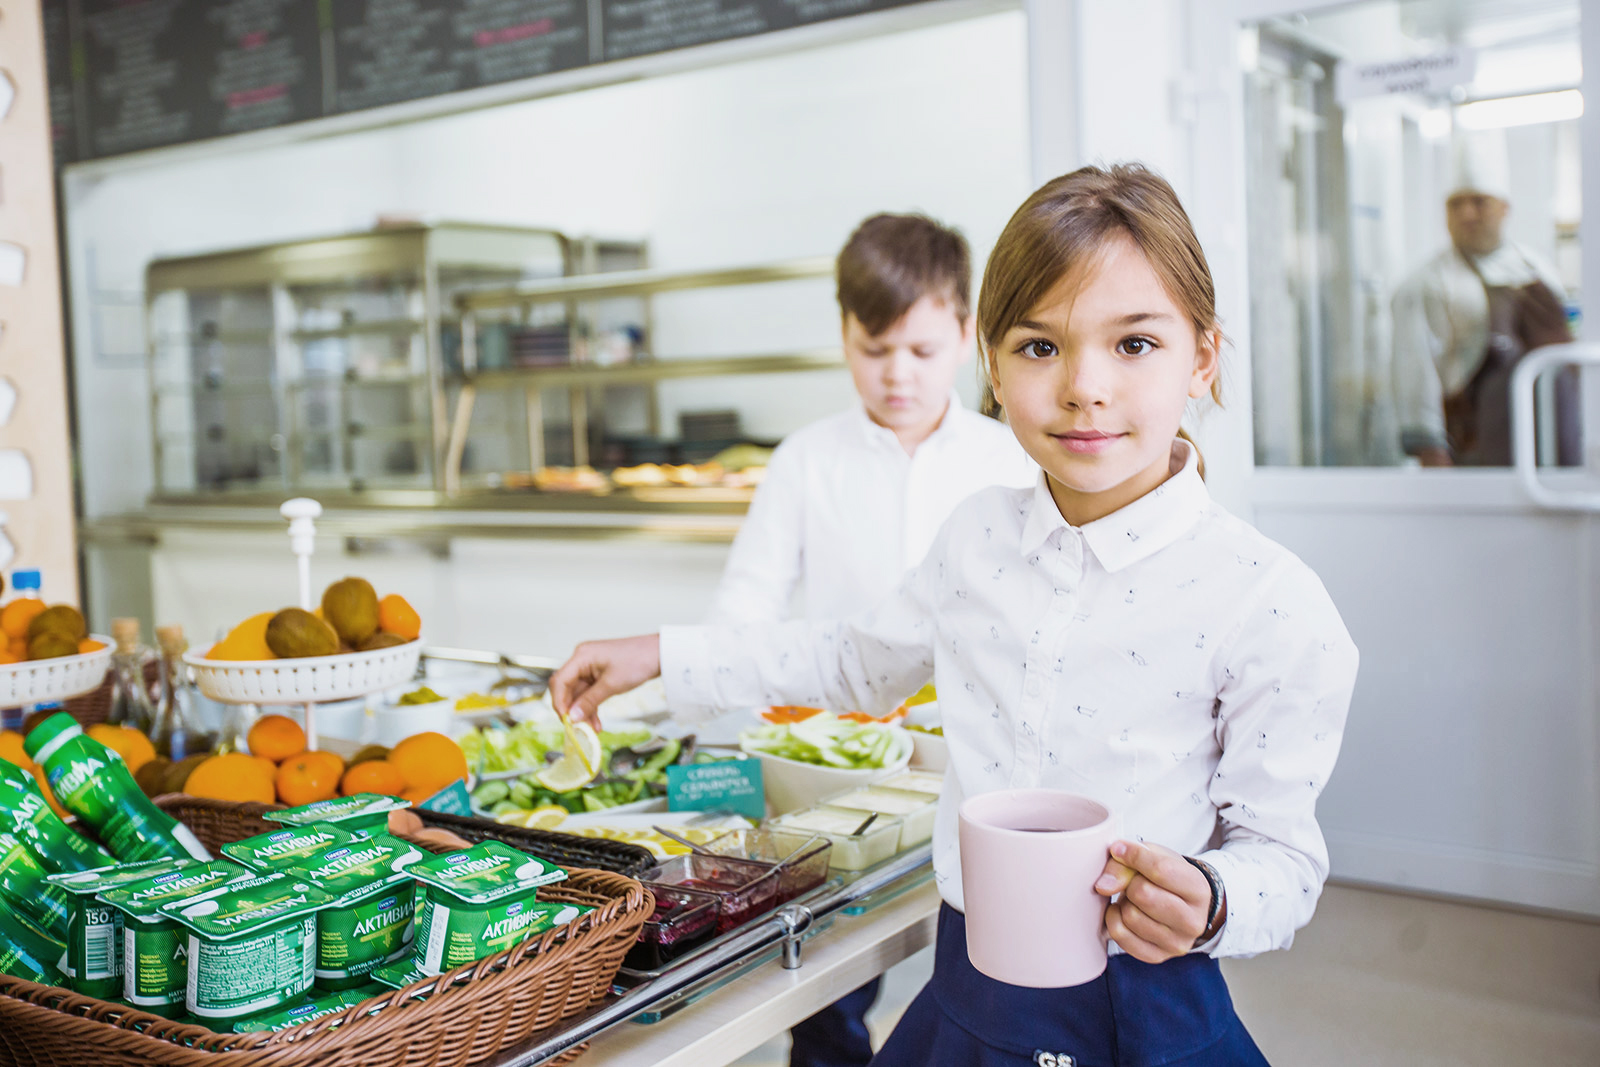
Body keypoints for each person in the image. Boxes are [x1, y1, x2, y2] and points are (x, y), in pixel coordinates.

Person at [553, 164, 1359, 1065]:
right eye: (1040, 346)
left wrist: (1211, 897)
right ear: (993, 362)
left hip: (1146, 1007)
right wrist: (663, 654)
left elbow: (1282, 860)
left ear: (1202, 356)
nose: (1085, 386)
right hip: (970, 993)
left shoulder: (1268, 599)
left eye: (1134, 344)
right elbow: (854, 662)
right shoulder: (977, 537)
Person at [709, 213, 1035, 1067]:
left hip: (974, 764)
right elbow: (746, 602)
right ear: (845, 334)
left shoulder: (1009, 461)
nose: (897, 375)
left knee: (981, 972)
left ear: (967, 334)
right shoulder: (806, 460)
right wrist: (747, 700)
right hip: (835, 759)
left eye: (924, 351)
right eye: (873, 348)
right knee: (828, 978)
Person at [1391, 138, 1576, 466]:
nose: (1467, 214)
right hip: (1474, 442)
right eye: (1455, 205)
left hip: (1551, 437)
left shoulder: (1538, 270)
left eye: (1478, 202)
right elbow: (1414, 369)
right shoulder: (1424, 284)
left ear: (1504, 208)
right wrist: (1430, 448)